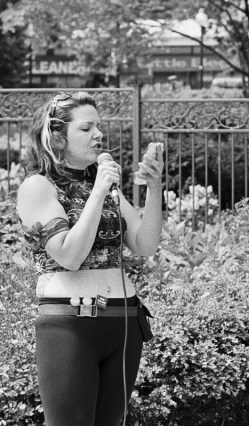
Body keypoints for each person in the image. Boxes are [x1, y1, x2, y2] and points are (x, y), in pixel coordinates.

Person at [16, 92, 164, 426]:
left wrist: (154, 188)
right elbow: (68, 255)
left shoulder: (103, 183)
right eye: (87, 128)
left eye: (99, 126)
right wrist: (98, 191)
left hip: (123, 321)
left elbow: (144, 244)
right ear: (57, 136)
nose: (99, 134)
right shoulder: (38, 186)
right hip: (71, 325)